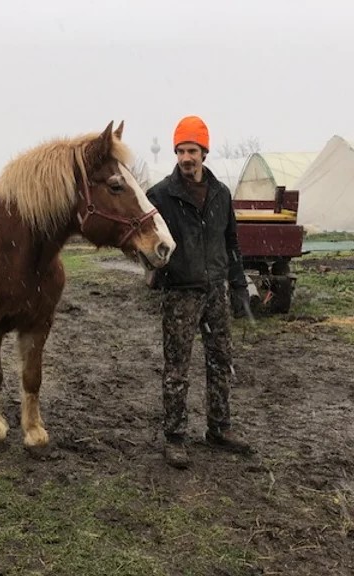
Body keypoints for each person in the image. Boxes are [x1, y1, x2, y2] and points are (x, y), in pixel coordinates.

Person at [146, 115, 252, 469]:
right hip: (181, 293)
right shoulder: (161, 195)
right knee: (177, 366)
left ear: (204, 152)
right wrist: (157, 272)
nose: (186, 157)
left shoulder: (221, 193)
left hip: (216, 291)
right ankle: (175, 437)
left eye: (192, 150)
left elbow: (231, 241)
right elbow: (143, 241)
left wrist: (238, 285)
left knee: (221, 360)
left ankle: (219, 428)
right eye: (180, 151)